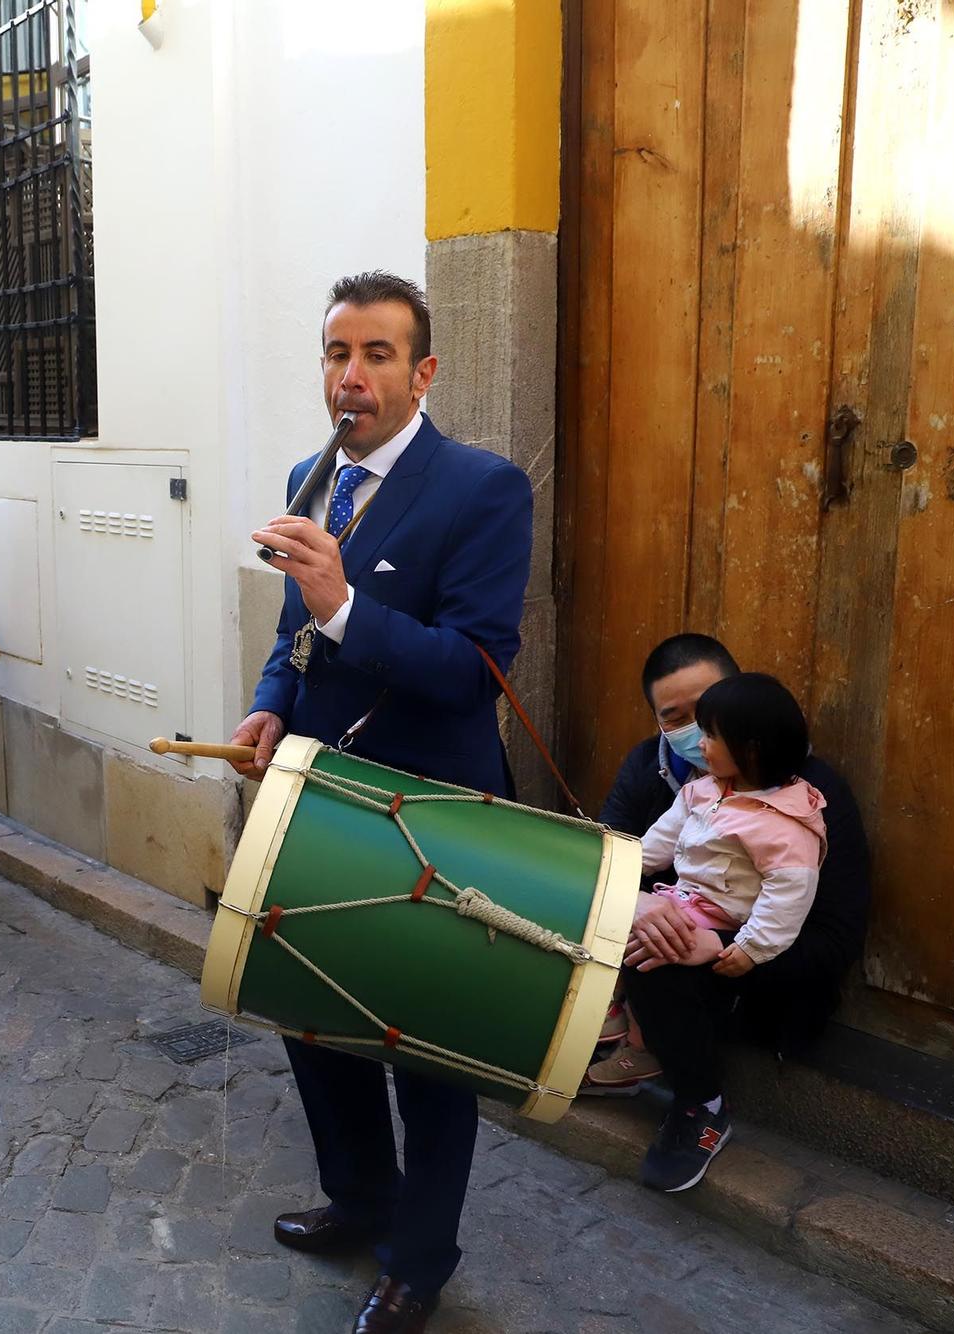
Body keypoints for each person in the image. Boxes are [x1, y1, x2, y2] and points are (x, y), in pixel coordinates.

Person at [230, 271, 533, 1334]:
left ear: (423, 371)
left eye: (374, 355)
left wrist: (346, 603)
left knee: (425, 1046)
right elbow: (290, 637)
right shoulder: (307, 476)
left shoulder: (483, 488)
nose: (348, 377)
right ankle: (357, 1197)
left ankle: (417, 1258)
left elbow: (474, 667)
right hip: (318, 799)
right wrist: (271, 705)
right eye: (333, 354)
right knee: (313, 1017)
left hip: (429, 810)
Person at [587, 633, 871, 1084]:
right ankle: (611, 1035)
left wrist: (726, 947)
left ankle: (699, 1107)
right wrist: (634, 903)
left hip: (756, 974)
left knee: (662, 962)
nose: (697, 733)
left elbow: (833, 937)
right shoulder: (657, 771)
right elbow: (609, 857)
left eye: (706, 714)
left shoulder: (807, 801)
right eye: (676, 719)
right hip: (667, 924)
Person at [609, 672, 827, 1193]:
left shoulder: (787, 825)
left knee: (654, 966)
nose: (698, 744)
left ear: (750, 749)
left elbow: (786, 900)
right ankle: (628, 1035)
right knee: (611, 933)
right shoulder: (701, 792)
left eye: (710, 735)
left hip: (719, 932)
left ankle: (701, 1104)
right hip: (678, 905)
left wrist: (746, 950)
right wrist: (616, 871)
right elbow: (655, 847)